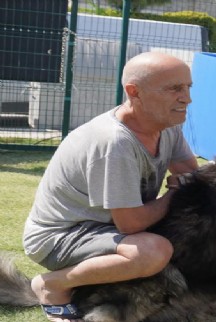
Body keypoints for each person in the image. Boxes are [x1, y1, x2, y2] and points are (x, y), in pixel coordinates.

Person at [23, 51, 198, 322]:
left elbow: (190, 174)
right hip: (60, 237)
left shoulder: (166, 124)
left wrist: (188, 186)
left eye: (188, 87)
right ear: (134, 91)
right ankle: (53, 285)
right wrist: (175, 192)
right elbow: (132, 224)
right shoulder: (115, 143)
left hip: (105, 229)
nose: (187, 98)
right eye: (174, 88)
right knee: (153, 251)